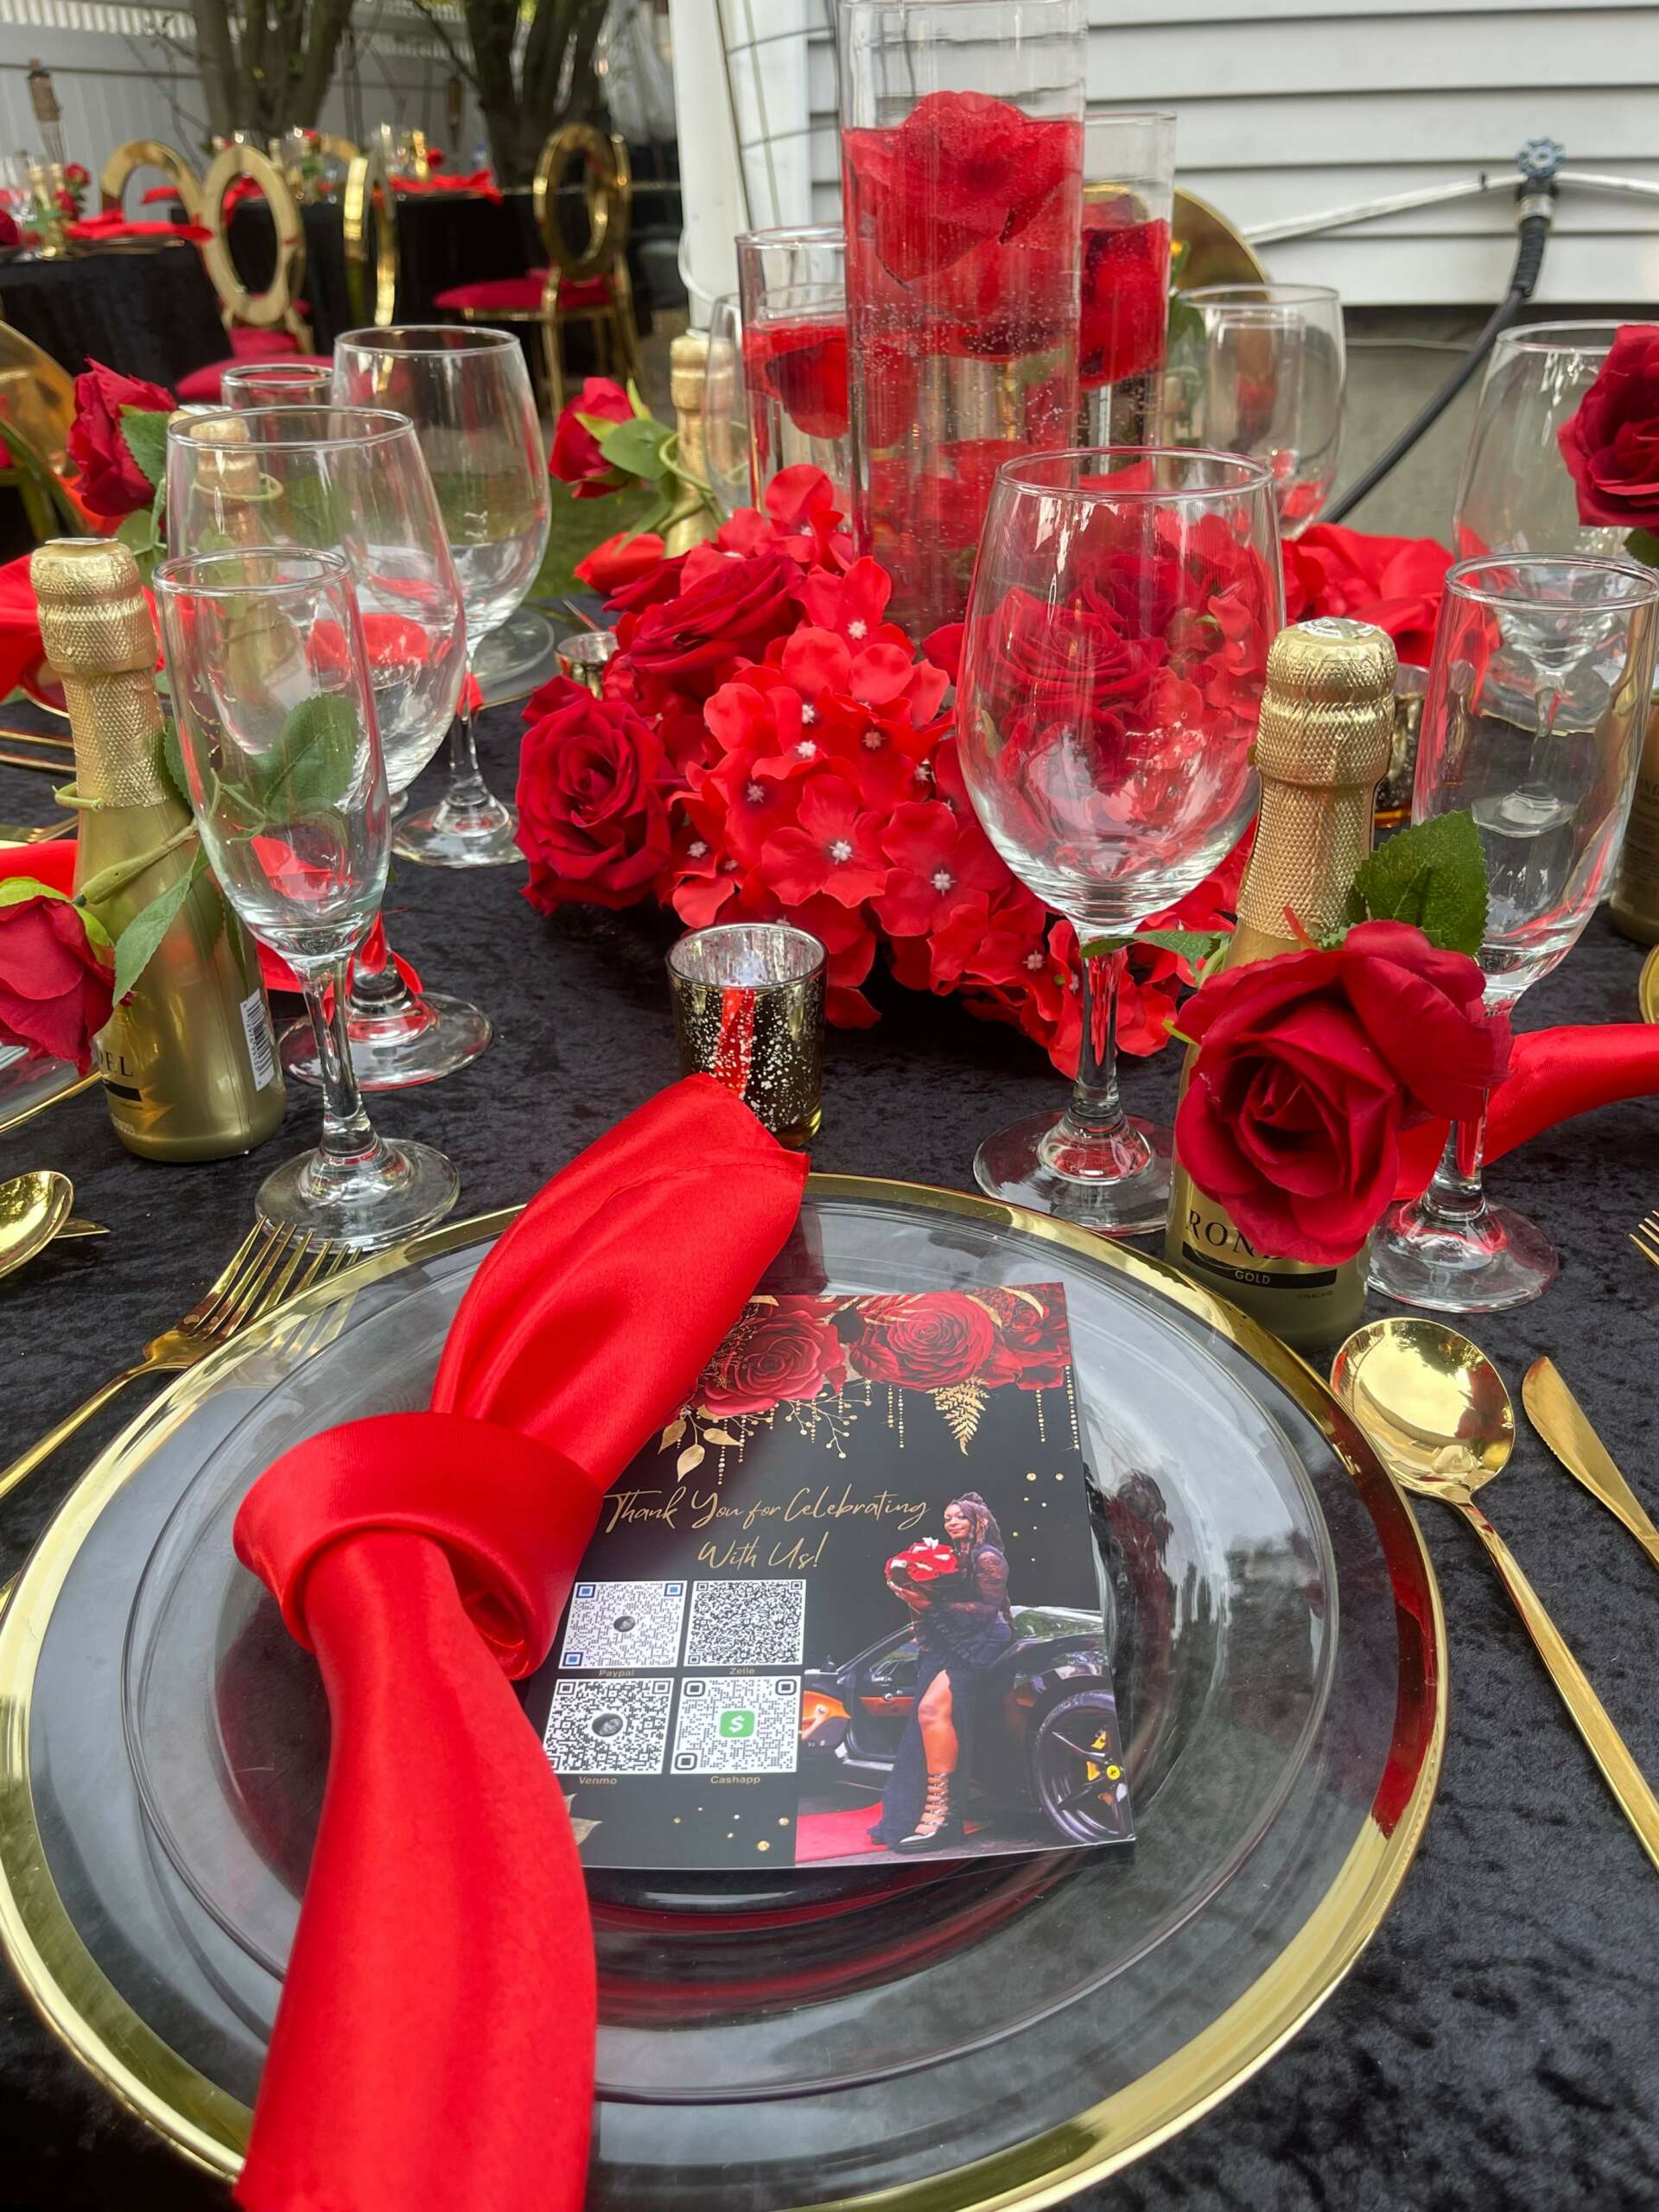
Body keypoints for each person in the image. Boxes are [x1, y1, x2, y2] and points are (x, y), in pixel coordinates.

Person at [870, 1492, 1014, 1854]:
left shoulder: (987, 1557)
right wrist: (914, 1592)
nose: (951, 1522)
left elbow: (987, 1609)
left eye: (959, 1517)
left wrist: (931, 1603)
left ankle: (943, 1818)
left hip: (981, 1639)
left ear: (978, 1520)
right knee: (924, 1720)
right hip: (949, 1637)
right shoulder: (953, 1558)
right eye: (947, 1518)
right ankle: (907, 1816)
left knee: (931, 1710)